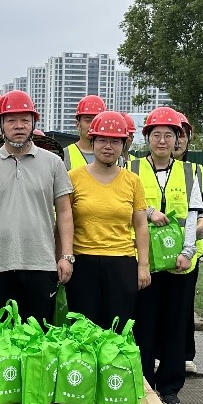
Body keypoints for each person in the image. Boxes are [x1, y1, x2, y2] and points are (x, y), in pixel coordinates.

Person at [0, 90, 73, 325]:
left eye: (25, 120)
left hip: (41, 264)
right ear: (1, 125)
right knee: (1, 342)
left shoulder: (53, 163)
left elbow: (65, 212)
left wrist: (66, 256)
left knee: (37, 339)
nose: (19, 126)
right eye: (11, 120)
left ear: (34, 123)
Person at [130, 106, 203, 404]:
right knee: (143, 324)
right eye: (156, 135)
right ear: (147, 138)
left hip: (179, 263)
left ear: (178, 140)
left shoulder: (190, 172)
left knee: (175, 324)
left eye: (169, 135)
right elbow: (126, 206)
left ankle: (170, 386)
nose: (162, 141)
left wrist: (187, 253)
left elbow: (193, 215)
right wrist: (148, 211)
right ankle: (144, 381)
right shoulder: (131, 169)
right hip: (142, 261)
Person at [67, 110, 150, 330]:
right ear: (92, 141)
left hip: (121, 263)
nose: (108, 146)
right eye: (102, 140)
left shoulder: (133, 181)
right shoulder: (74, 177)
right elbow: (64, 221)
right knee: (83, 330)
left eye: (115, 141)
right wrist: (63, 257)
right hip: (83, 261)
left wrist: (143, 265)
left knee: (117, 329)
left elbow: (141, 225)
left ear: (124, 145)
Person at [175, 112, 203, 375]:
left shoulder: (196, 170)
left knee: (184, 306)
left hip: (188, 250)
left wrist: (199, 227)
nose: (176, 141)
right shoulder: (142, 168)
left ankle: (185, 354)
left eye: (181, 135)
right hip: (154, 251)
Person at [64, 95, 107, 169]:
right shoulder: (65, 155)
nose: (93, 125)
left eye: (97, 120)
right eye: (88, 120)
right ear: (78, 124)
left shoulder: (113, 155)